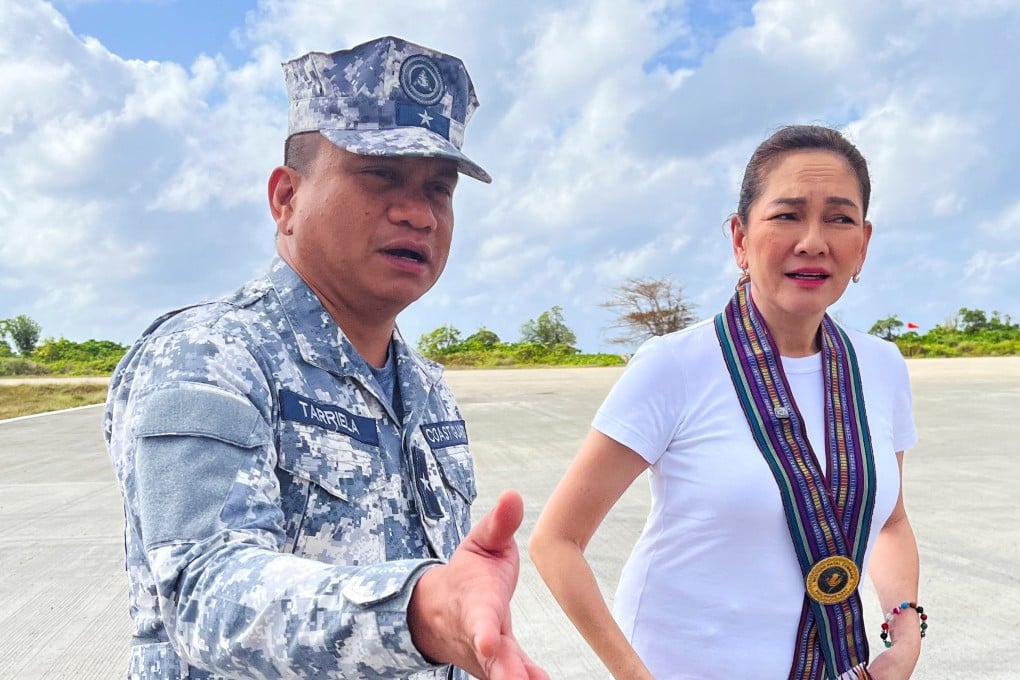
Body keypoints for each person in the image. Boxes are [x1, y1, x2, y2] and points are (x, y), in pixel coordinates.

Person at [106, 36, 547, 680]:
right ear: (286, 198)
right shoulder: (209, 355)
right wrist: (416, 612)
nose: (418, 214)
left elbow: (454, 605)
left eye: (440, 189)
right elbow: (205, 591)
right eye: (380, 175)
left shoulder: (426, 390)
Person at [529, 125, 923, 679]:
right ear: (740, 238)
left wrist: (905, 632)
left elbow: (892, 521)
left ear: (863, 243)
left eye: (839, 218)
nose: (813, 241)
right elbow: (555, 542)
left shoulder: (880, 367)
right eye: (787, 215)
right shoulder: (674, 365)